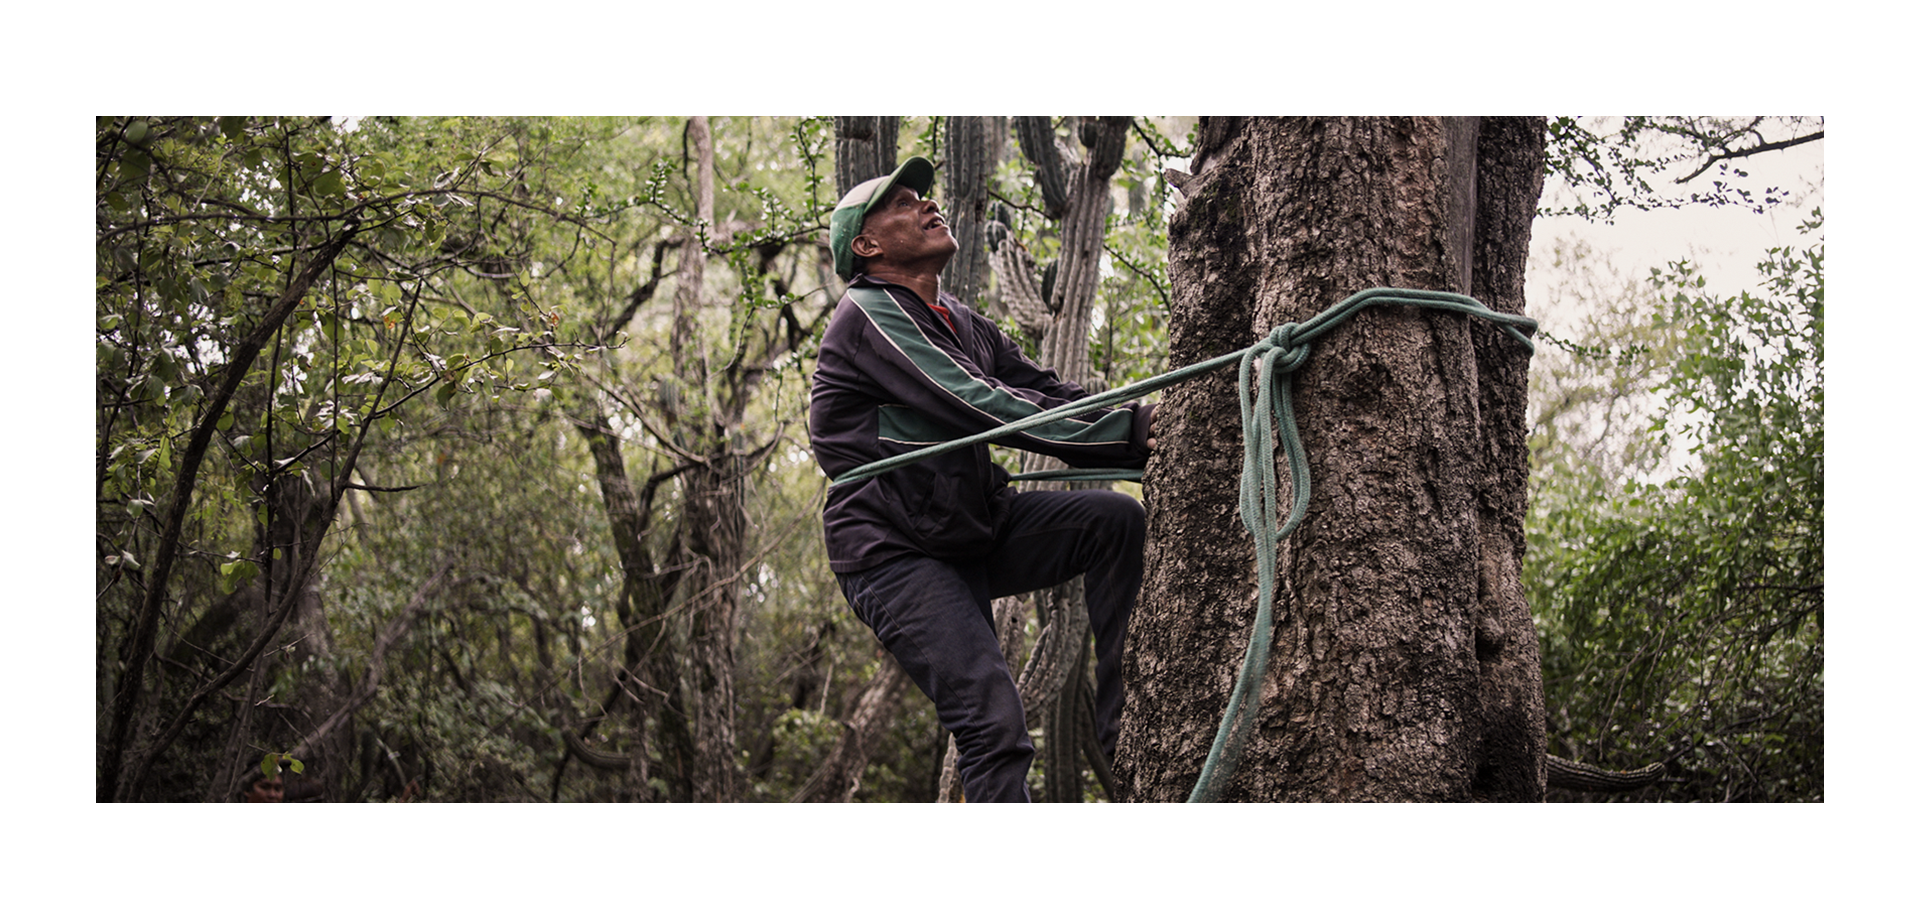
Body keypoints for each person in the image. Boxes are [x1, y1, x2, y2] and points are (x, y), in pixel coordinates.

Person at [808, 157, 1156, 802]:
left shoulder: (963, 320)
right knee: (992, 724)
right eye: (903, 203)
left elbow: (1043, 389)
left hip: (973, 525)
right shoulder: (868, 313)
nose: (926, 205)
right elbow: (979, 401)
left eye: (924, 195)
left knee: (1113, 522)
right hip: (894, 551)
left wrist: (1142, 429)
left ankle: (1128, 736)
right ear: (868, 246)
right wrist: (1132, 433)